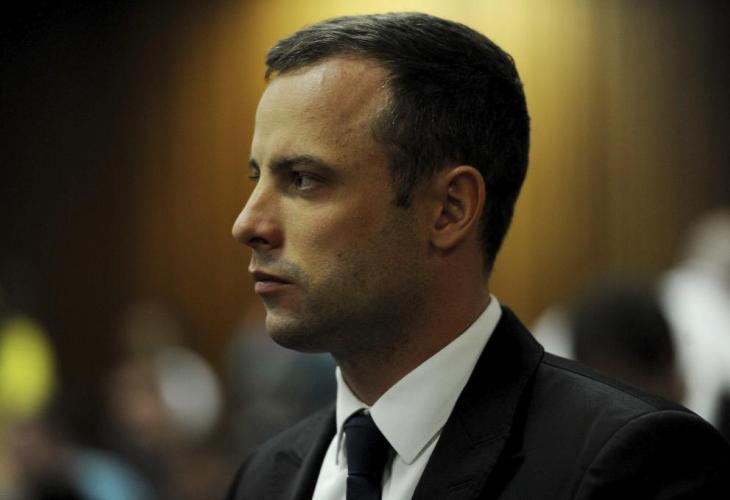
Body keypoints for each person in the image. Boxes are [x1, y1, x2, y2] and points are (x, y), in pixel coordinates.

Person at [226, 12, 730, 499]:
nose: (247, 224)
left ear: (450, 210)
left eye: (303, 179)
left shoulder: (632, 463)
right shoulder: (262, 478)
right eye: (257, 178)